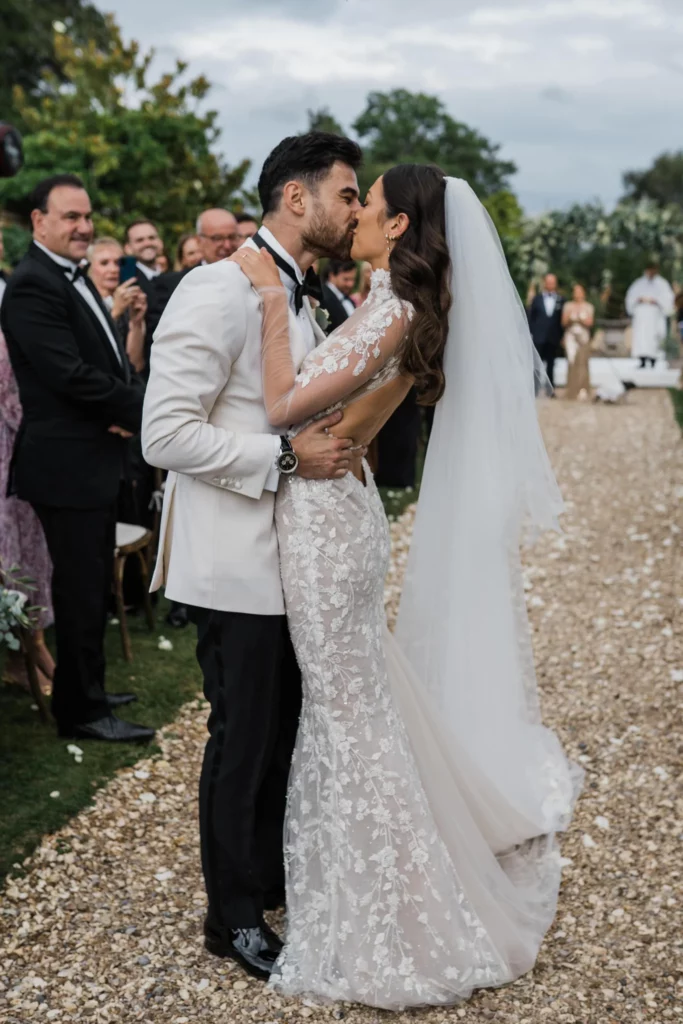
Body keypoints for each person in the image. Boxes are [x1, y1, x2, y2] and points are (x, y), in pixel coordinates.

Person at [232, 161, 580, 1008]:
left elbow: (283, 406)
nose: (353, 215)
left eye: (368, 204)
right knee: (355, 706)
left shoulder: (394, 310)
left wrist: (270, 301)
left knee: (344, 716)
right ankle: (381, 881)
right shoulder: (403, 307)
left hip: (323, 524)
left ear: (398, 228)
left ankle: (392, 909)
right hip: (337, 515)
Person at [142, 131, 366, 980]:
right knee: (241, 739)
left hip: (293, 563)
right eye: (346, 193)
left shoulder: (303, 296)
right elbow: (165, 433)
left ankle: (267, 880)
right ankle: (230, 915)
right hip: (234, 563)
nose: (355, 208)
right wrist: (281, 459)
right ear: (295, 197)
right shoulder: (216, 287)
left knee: (280, 735)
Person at [0, 174, 154, 744]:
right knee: (81, 587)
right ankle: (83, 711)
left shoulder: (73, 275)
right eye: (70, 217)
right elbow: (65, 374)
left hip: (92, 452)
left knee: (87, 584)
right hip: (64, 462)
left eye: (87, 217)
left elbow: (102, 360)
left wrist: (117, 408)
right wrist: (140, 406)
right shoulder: (32, 285)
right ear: (39, 221)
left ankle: (85, 690)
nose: (84, 227)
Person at [0, 327, 54, 693]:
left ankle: (30, 648)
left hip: (13, 455)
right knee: (10, 553)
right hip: (9, 452)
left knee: (24, 551)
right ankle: (23, 653)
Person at [88, 237, 147, 373]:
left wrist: (136, 322)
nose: (113, 269)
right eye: (104, 263)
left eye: (118, 263)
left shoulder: (130, 304)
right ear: (90, 267)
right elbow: (91, 353)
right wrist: (115, 313)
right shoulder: (84, 303)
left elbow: (135, 365)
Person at [625, 262, 675, 368]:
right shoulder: (638, 283)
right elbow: (630, 298)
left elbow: (667, 300)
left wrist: (655, 301)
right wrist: (639, 300)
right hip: (642, 315)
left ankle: (653, 359)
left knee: (654, 337)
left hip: (654, 315)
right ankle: (642, 359)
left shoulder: (662, 284)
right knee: (642, 337)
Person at [528, 272, 564, 394]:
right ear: (545, 283)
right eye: (548, 282)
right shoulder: (536, 299)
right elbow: (531, 318)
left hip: (553, 337)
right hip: (538, 336)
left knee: (551, 363)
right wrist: (532, 333)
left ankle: (550, 389)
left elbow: (561, 320)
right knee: (537, 364)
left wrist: (561, 336)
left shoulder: (561, 299)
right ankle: (535, 388)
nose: (550, 284)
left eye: (552, 282)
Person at [562, 283, 594, 400]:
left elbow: (590, 323)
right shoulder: (568, 306)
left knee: (582, 363)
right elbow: (564, 322)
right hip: (571, 336)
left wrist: (580, 319)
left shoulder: (588, 307)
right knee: (571, 362)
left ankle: (583, 388)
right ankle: (571, 389)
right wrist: (571, 319)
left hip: (583, 336)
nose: (577, 295)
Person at [322, 257, 357, 330]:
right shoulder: (322, 298)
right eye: (346, 279)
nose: (350, 284)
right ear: (332, 275)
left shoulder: (348, 299)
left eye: (353, 279)